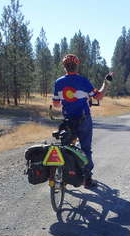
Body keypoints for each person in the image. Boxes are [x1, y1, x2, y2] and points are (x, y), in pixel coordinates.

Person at [52, 54, 111, 188]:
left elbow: (55, 104)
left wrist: (65, 100)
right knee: (85, 148)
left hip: (68, 120)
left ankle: (64, 175)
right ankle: (87, 180)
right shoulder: (83, 81)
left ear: (64, 67)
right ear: (76, 66)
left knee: (66, 147)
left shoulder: (58, 82)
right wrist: (106, 83)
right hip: (83, 120)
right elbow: (99, 96)